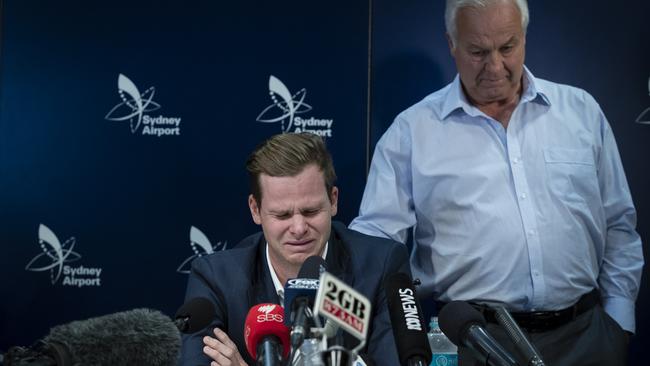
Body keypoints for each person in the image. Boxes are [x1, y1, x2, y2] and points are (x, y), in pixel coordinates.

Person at [349, 0, 643, 364]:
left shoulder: (580, 111)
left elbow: (618, 224)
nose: (495, 66)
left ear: (524, 37)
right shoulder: (411, 133)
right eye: (477, 51)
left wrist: (618, 322)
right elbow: (375, 248)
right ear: (451, 44)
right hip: (472, 342)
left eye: (507, 47)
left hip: (587, 338)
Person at [179, 132, 411, 366]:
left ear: (333, 201)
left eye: (310, 211)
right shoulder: (216, 278)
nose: (299, 228)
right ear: (255, 210)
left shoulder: (382, 265)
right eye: (282, 215)